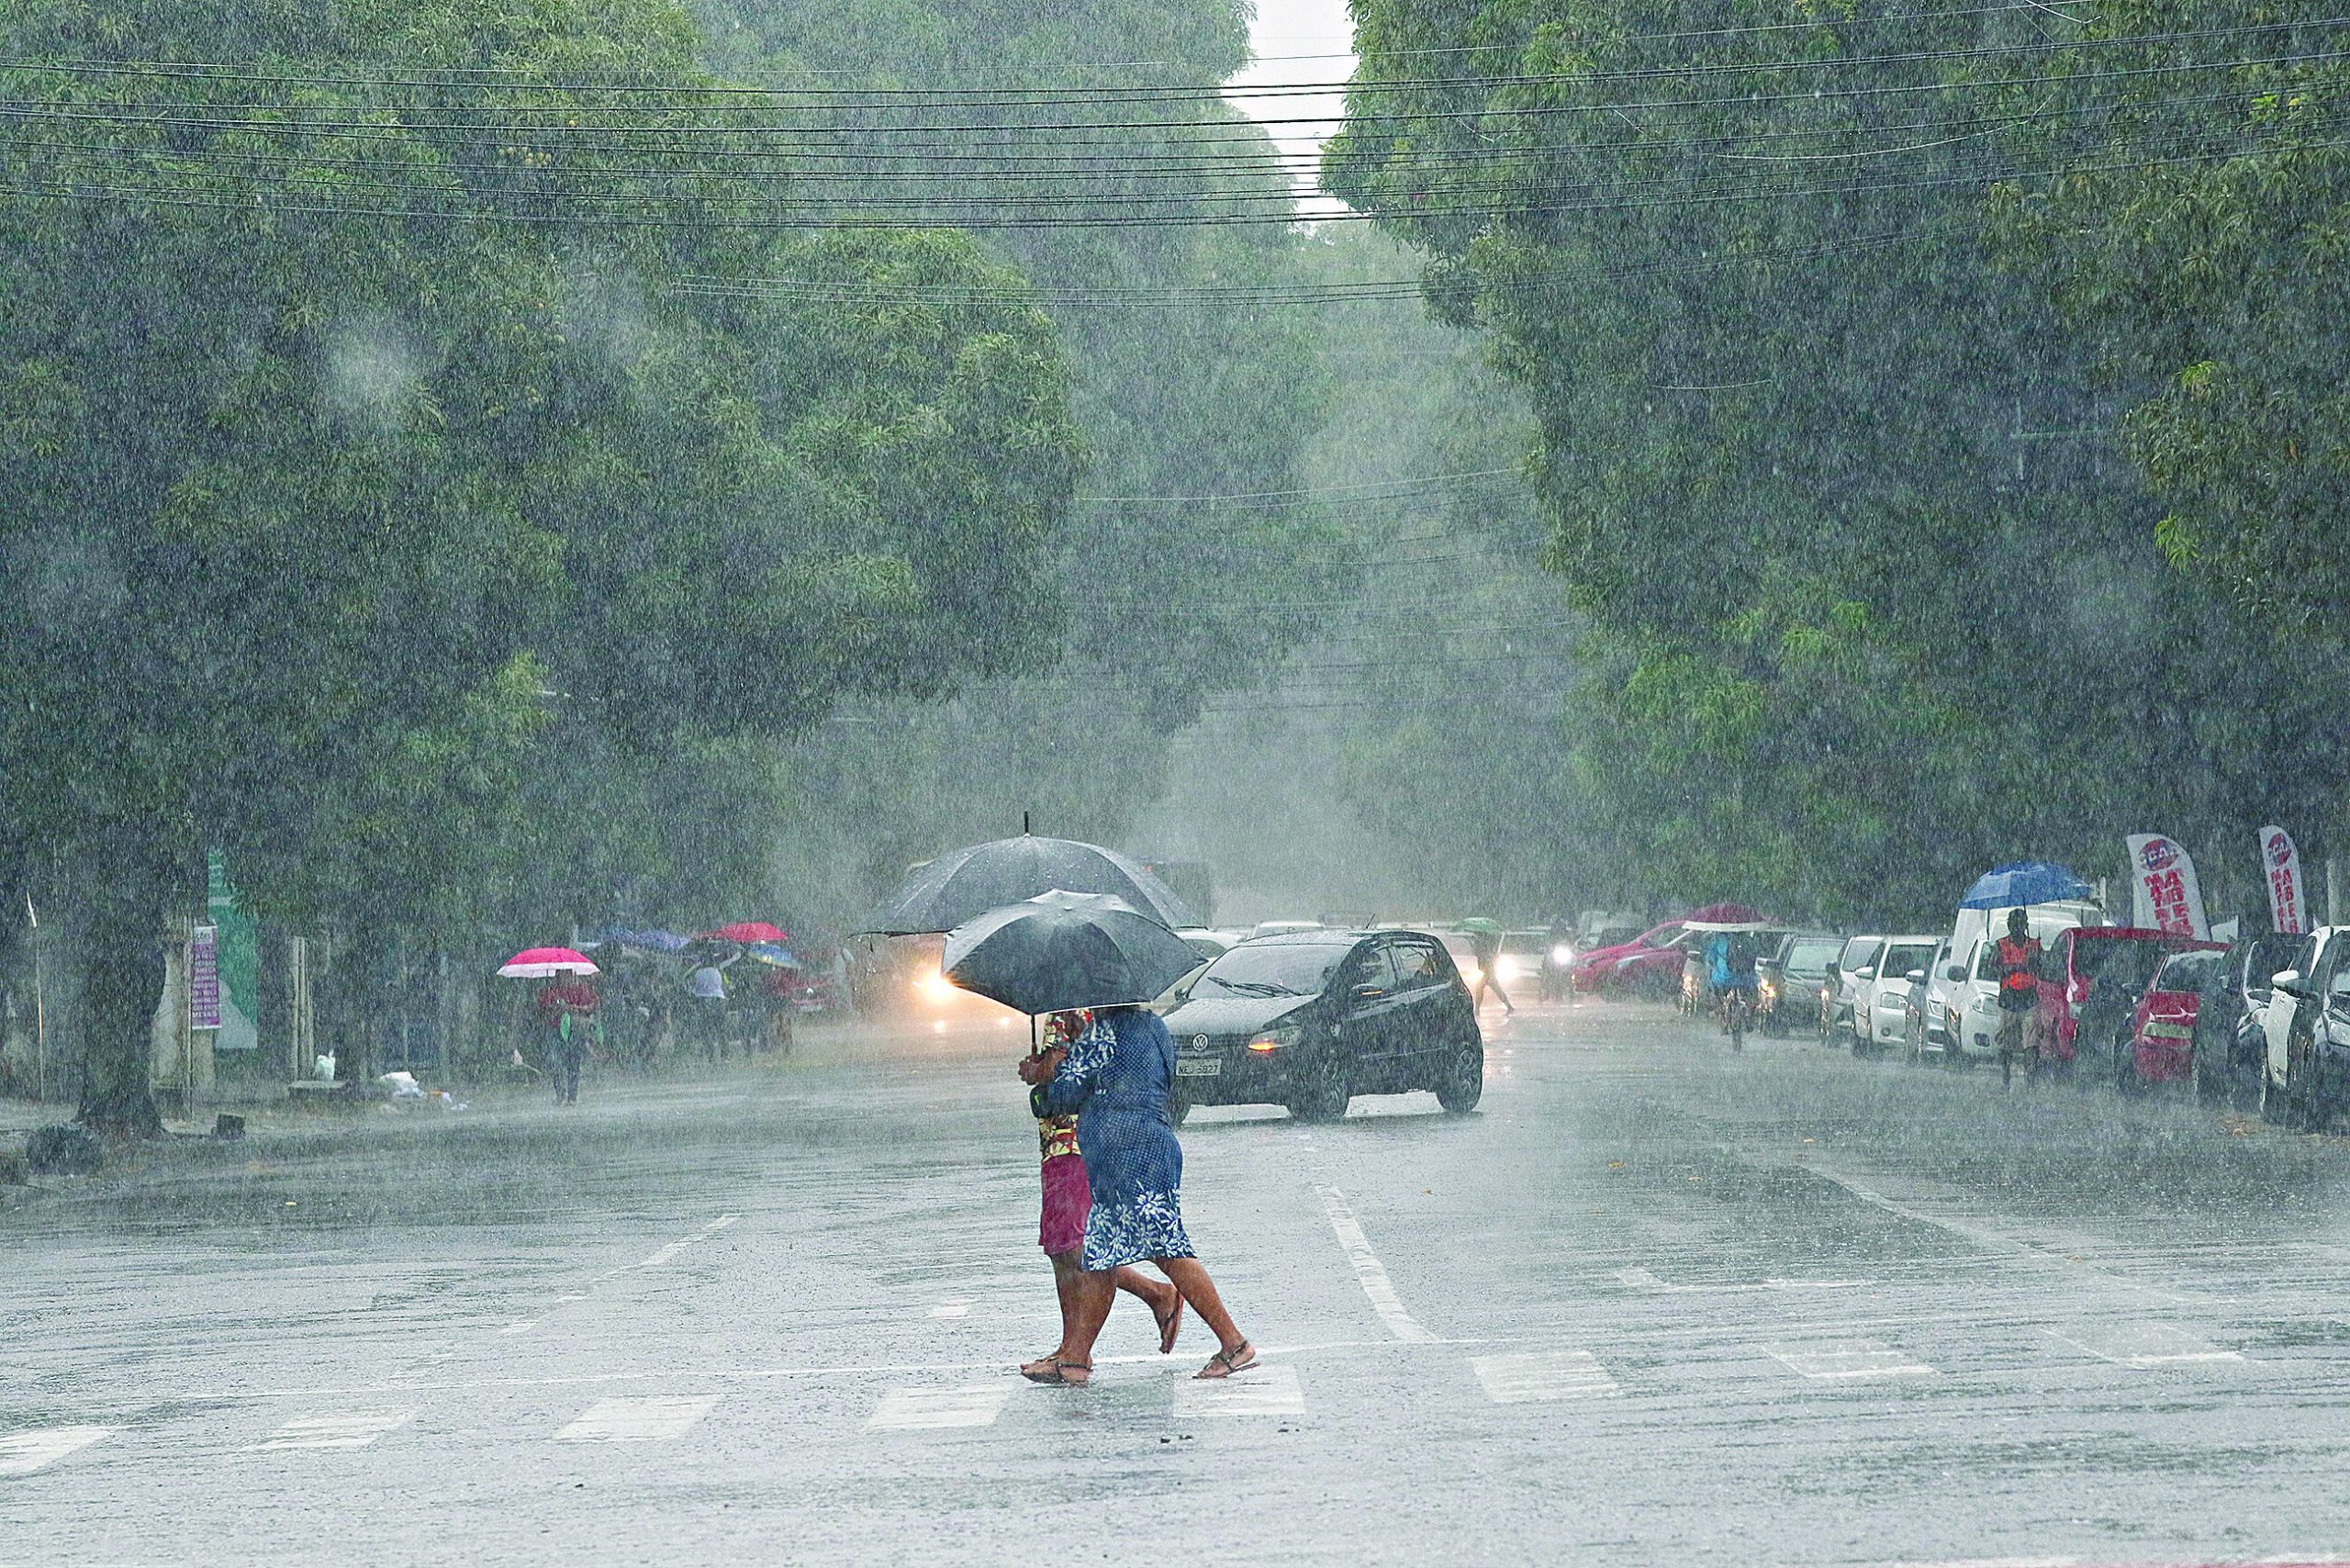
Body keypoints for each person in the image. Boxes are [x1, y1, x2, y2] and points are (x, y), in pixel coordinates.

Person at [1024, 1004, 1254, 1385]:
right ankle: (1076, 1360)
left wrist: (1038, 1081)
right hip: (1147, 1145)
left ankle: (1234, 1343)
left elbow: (1062, 1096)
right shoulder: (1154, 1027)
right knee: (1101, 1256)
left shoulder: (1102, 1034)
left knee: (1168, 1252)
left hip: (1129, 1154)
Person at [1016, 1009, 1183, 1385]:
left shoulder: (1082, 1009)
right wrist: (1043, 1064)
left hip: (1076, 1141)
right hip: (1058, 1141)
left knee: (1078, 1247)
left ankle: (1153, 1297)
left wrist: (1039, 1072)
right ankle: (1069, 1347)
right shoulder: (1068, 1009)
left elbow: (1074, 1072)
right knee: (1061, 1249)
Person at [1992, 909, 2044, 1090]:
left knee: (2032, 1042)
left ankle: (2030, 1081)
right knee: (2005, 1042)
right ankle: (2005, 1079)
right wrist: (2017, 966)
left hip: (2030, 998)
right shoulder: (2000, 945)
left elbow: (2043, 969)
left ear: (2026, 925)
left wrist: (2036, 960)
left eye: (2020, 924)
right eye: (2013, 924)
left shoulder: (2035, 946)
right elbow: (1995, 968)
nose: (2016, 928)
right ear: (2008, 926)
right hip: (2008, 999)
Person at [535, 971, 599, 1105]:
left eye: (568, 974)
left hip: (575, 1030)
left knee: (573, 1062)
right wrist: (555, 1009)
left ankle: (572, 1096)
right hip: (554, 1029)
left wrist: (573, 1008)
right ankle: (560, 1092)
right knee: (555, 1060)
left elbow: (592, 1005)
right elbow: (542, 1009)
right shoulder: (550, 990)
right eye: (562, 974)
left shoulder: (580, 988)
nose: (566, 977)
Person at [1707, 929, 1760, 1031]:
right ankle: (1750, 1018)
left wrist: (1715, 964)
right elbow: (1754, 955)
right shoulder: (1747, 939)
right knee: (1753, 994)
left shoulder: (1719, 939)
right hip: (1746, 979)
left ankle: (1722, 1018)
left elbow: (1711, 958)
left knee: (1714, 990)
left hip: (1724, 978)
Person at [684, 951, 732, 1061]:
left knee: (705, 1030)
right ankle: (725, 1055)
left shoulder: (697, 973)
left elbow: (692, 987)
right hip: (719, 1000)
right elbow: (726, 986)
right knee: (721, 1029)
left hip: (703, 1000)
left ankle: (710, 1055)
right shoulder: (718, 971)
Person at [1469, 924, 1514, 1014]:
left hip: (1487, 970)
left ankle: (1477, 1009)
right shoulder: (1486, 942)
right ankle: (1509, 1006)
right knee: (1495, 989)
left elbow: (1480, 954)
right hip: (1488, 970)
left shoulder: (1483, 943)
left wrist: (1475, 947)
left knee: (1480, 988)